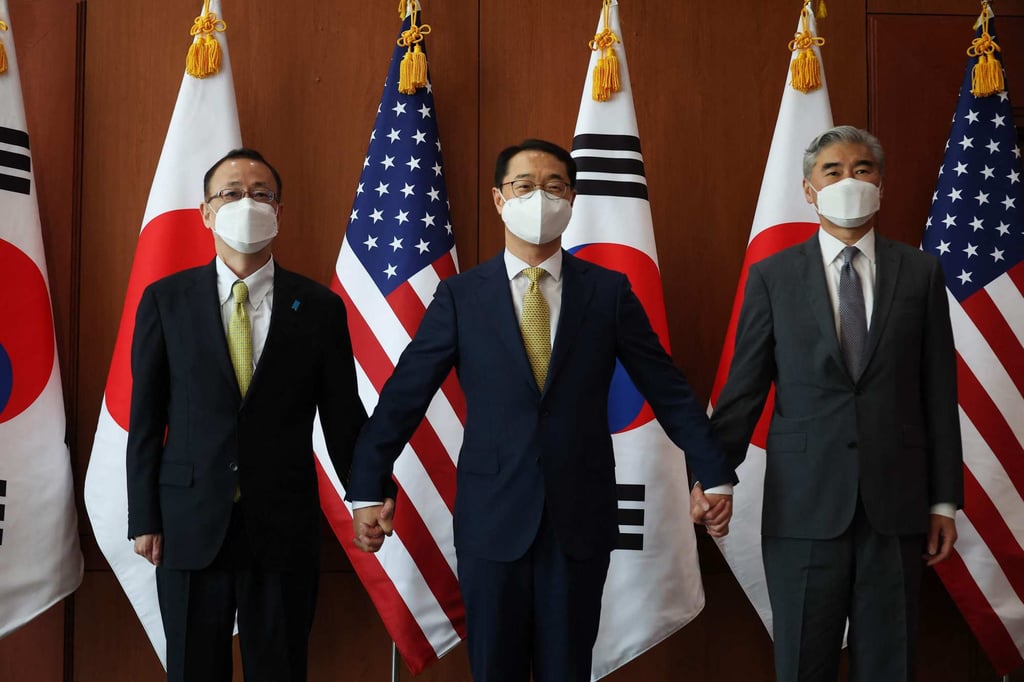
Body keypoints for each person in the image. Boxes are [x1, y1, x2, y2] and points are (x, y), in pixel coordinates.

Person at [347, 138, 735, 682]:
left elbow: (667, 388)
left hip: (580, 518)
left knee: (567, 671)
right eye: (524, 186)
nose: (540, 196)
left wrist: (713, 473)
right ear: (499, 199)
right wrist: (368, 485)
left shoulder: (608, 292)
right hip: (491, 521)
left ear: (571, 200)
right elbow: (404, 395)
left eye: (554, 186)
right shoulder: (462, 297)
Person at [711, 125, 963, 681]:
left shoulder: (920, 272)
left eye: (862, 169)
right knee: (803, 663)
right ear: (808, 189)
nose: (849, 180)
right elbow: (743, 390)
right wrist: (713, 477)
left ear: (881, 185)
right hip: (803, 508)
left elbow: (938, 392)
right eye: (833, 171)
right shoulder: (772, 276)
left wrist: (944, 501)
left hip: (896, 508)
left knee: (889, 665)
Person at [126, 148, 367, 682]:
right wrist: (143, 515)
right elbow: (145, 419)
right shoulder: (166, 300)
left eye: (261, 194)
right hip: (188, 524)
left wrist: (367, 493)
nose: (247, 203)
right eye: (231, 194)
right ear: (206, 212)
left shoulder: (319, 308)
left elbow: (344, 418)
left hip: (283, 524)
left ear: (278, 211)